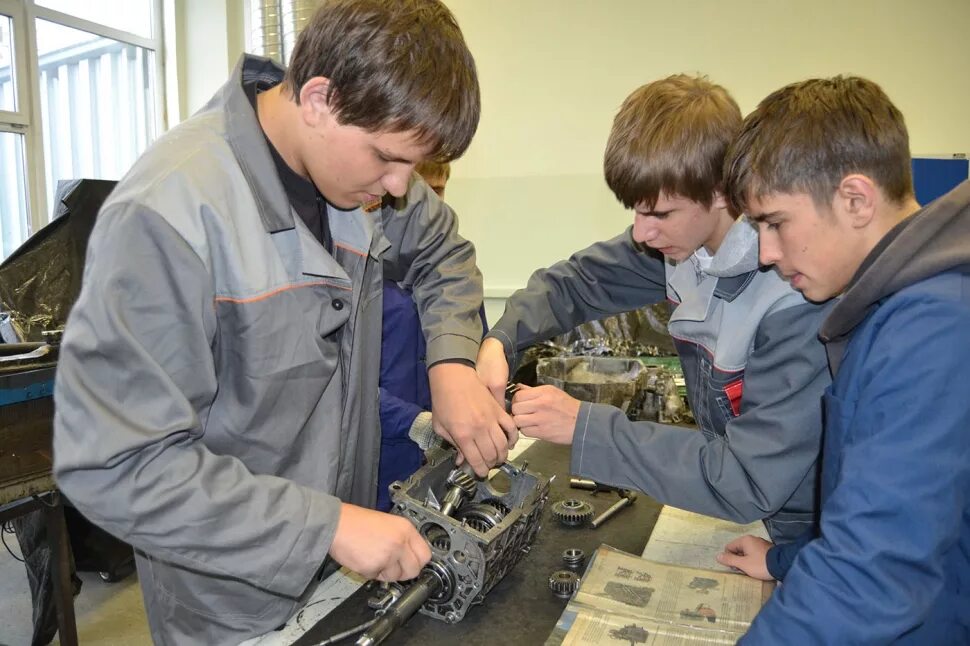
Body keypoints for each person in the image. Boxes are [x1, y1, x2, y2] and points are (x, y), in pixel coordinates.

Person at [51, 1, 516, 643]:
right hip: (229, 604)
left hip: (342, 570)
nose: (404, 187)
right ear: (320, 99)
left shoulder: (362, 178)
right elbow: (115, 464)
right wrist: (323, 527)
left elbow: (445, 253)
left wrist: (453, 365)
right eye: (388, 159)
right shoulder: (169, 213)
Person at [477, 74, 831, 544]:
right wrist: (499, 341)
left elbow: (746, 478)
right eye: (635, 212)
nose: (641, 234)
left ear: (723, 192)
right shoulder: (681, 247)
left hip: (809, 536)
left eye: (660, 214)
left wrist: (585, 426)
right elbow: (576, 283)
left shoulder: (791, 298)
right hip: (756, 525)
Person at [716, 76, 970, 643]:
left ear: (855, 199)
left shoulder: (933, 329)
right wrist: (785, 562)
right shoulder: (892, 310)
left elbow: (873, 575)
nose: (766, 252)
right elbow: (895, 509)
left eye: (774, 222)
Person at [376, 160, 488, 510]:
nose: (435, 205)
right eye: (425, 191)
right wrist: (416, 423)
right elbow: (336, 386)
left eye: (440, 191)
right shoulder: (364, 286)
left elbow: (476, 350)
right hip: (379, 463)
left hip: (445, 466)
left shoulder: (456, 280)